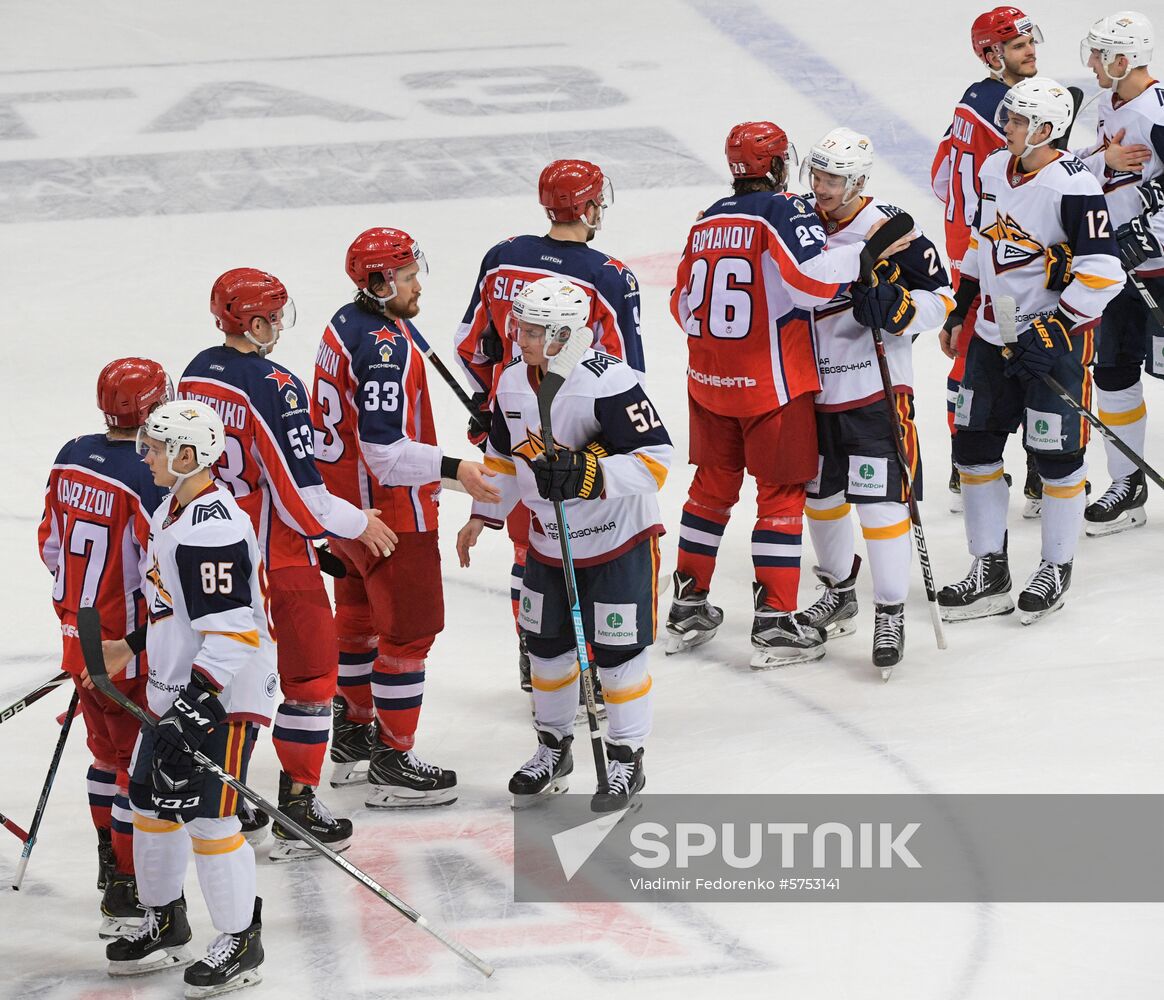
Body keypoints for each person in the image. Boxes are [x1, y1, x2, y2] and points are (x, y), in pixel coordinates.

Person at [665, 120, 908, 668]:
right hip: (771, 384)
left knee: (709, 490)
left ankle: (688, 604)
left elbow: (680, 306)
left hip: (707, 381)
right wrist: (868, 251)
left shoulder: (707, 220)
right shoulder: (784, 209)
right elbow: (813, 281)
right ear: (778, 165)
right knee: (780, 496)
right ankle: (775, 623)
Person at [179, 268, 397, 859]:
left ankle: (236, 795)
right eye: (272, 315)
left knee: (228, 677)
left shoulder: (196, 370)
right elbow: (304, 502)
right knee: (309, 680)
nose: (278, 325)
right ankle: (297, 802)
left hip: (204, 553)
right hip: (274, 562)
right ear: (252, 322)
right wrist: (359, 524)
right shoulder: (274, 382)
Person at [455, 277, 671, 811]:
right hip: (550, 542)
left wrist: (586, 474)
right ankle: (553, 747)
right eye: (519, 326)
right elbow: (504, 460)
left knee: (619, 656)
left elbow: (657, 461)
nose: (518, 337)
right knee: (546, 650)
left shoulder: (607, 380)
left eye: (530, 330)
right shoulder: (509, 382)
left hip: (617, 539)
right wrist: (484, 513)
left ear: (561, 335)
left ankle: (626, 757)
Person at [312, 227, 499, 807]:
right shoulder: (383, 346)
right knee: (410, 635)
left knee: (360, 623)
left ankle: (351, 738)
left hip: (347, 510)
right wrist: (457, 468)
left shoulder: (345, 323)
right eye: (410, 276)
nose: (419, 285)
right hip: (392, 516)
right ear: (381, 281)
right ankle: (393, 758)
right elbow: (386, 452)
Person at [99, 399, 273, 997]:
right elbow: (182, 607)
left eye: (154, 446)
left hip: (222, 693)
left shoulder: (214, 527)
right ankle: (166, 919)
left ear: (189, 456)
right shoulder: (173, 506)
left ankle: (239, 938)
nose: (143, 453)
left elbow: (232, 630)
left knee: (209, 816)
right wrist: (130, 644)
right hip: (179, 688)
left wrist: (198, 703)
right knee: (149, 803)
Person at [938, 77, 1125, 624]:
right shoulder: (995, 167)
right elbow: (984, 242)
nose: (1007, 127)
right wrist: (961, 304)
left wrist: (1058, 326)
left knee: (1057, 458)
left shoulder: (1075, 187)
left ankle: (1055, 566)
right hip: (993, 337)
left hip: (1052, 346)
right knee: (973, 452)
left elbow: (1103, 270)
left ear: (1044, 130)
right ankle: (988, 569)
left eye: (1018, 121)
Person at [454, 158, 645, 694]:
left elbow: (469, 345)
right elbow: (630, 374)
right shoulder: (608, 275)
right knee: (586, 546)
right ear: (587, 207)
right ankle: (583, 657)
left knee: (531, 546)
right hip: (584, 441)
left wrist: (491, 399)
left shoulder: (502, 256)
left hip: (512, 425)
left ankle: (535, 648)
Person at [797, 129, 954, 670]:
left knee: (881, 500)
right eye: (815, 175)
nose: (821, 187)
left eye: (833, 179)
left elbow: (944, 299)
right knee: (819, 495)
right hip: (809, 386)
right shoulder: (798, 222)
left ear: (858, 180)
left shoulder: (892, 228)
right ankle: (840, 591)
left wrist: (899, 307)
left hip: (873, 387)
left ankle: (889, 610)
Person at [37, 358, 171, 936]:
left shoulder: (69, 455)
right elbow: (159, 569)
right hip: (123, 647)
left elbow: (50, 545)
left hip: (79, 637)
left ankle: (107, 864)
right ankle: (124, 884)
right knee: (131, 770)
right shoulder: (146, 475)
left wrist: (77, 616)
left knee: (103, 755)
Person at [932, 6, 1043, 516]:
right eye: (1019, 45)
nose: (1031, 51)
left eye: (1030, 41)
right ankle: (1041, 470)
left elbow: (940, 177)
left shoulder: (970, 101)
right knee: (1028, 347)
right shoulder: (1008, 109)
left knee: (972, 351)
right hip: (1000, 248)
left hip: (971, 245)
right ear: (992, 53)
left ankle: (963, 465)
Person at [1074, 11, 1164, 535]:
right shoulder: (1111, 102)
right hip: (1121, 266)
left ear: (1122, 59)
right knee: (1112, 373)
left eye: (1098, 55)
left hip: (1159, 266)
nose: (1090, 63)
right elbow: (1085, 166)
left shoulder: (1156, 112)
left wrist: (1149, 227)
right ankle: (1128, 482)